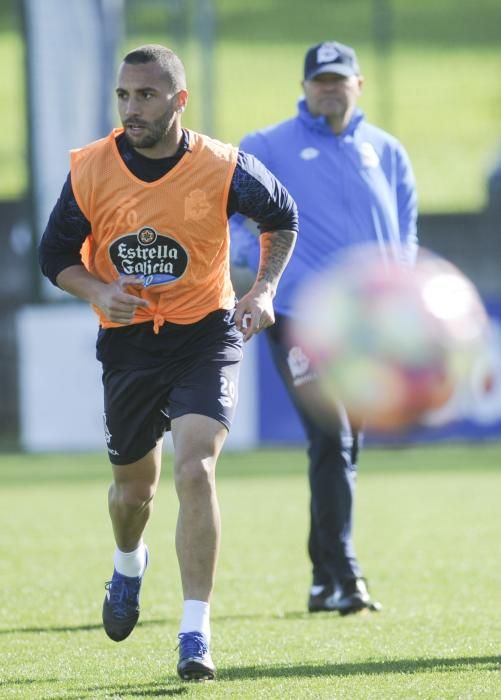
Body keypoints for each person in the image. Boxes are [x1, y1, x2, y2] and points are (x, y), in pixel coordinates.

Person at [38, 44, 297, 681]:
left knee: (195, 469)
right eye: (124, 95)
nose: (132, 108)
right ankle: (129, 564)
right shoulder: (92, 168)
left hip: (205, 333)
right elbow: (54, 256)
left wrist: (262, 290)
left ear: (179, 101)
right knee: (134, 492)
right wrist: (98, 291)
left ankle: (194, 634)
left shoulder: (222, 165)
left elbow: (282, 216)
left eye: (147, 96)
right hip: (128, 343)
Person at [230, 40, 418, 615]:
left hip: (370, 328)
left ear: (359, 84)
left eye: (340, 78)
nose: (330, 87)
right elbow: (233, 220)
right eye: (320, 79)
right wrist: (254, 278)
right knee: (333, 437)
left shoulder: (386, 151)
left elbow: (406, 230)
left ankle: (321, 578)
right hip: (301, 321)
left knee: (344, 444)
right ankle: (347, 577)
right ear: (305, 86)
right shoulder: (266, 147)